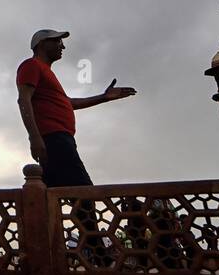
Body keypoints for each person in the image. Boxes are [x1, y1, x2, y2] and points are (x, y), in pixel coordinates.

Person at [16, 29, 137, 187]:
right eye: (58, 41)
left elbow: (68, 103)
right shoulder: (31, 65)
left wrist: (104, 97)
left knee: (53, 192)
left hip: (60, 139)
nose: (63, 47)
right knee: (84, 192)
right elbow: (23, 100)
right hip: (54, 139)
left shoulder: (47, 73)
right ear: (42, 44)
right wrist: (34, 137)